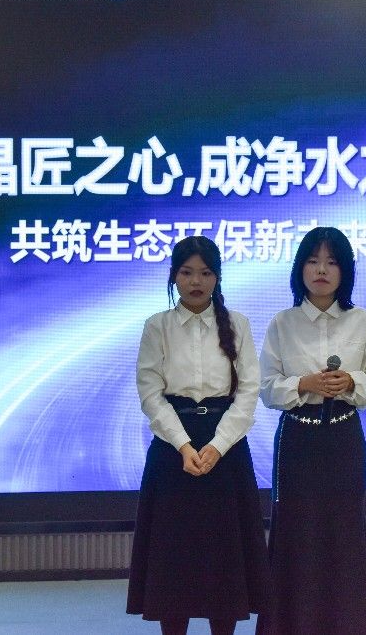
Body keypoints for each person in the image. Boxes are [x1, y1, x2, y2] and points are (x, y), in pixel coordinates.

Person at [126, 236, 271, 635]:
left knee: (224, 560)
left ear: (217, 277)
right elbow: (150, 394)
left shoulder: (237, 324)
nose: (196, 282)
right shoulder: (157, 326)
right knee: (174, 561)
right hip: (173, 451)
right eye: (187, 272)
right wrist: (184, 445)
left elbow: (248, 392)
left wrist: (218, 446)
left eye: (205, 273)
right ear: (174, 276)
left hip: (225, 449)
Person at [255, 226, 366, 635]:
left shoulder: (362, 320)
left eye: (332, 262)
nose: (322, 270)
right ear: (300, 269)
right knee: (296, 536)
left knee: (344, 535)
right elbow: (266, 389)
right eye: (313, 261)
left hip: (344, 437)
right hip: (298, 439)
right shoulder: (283, 323)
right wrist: (303, 384)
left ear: (345, 270)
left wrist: (350, 382)